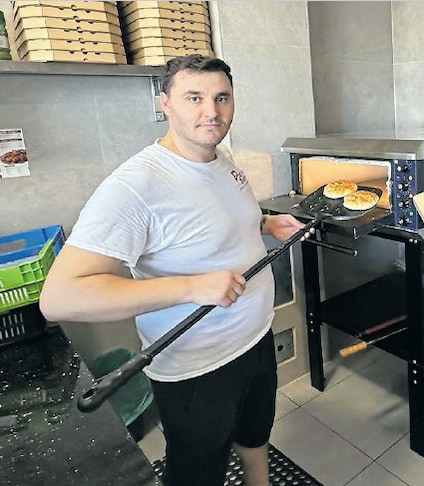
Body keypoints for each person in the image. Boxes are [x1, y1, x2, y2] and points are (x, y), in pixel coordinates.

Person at [39, 54, 309, 486]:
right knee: (198, 470)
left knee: (256, 434)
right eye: (194, 97)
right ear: (165, 103)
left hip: (255, 338)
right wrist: (191, 287)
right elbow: (60, 298)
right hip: (197, 367)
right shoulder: (135, 185)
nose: (212, 111)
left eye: (222, 97)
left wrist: (264, 223)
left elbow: (214, 224)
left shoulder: (223, 161)